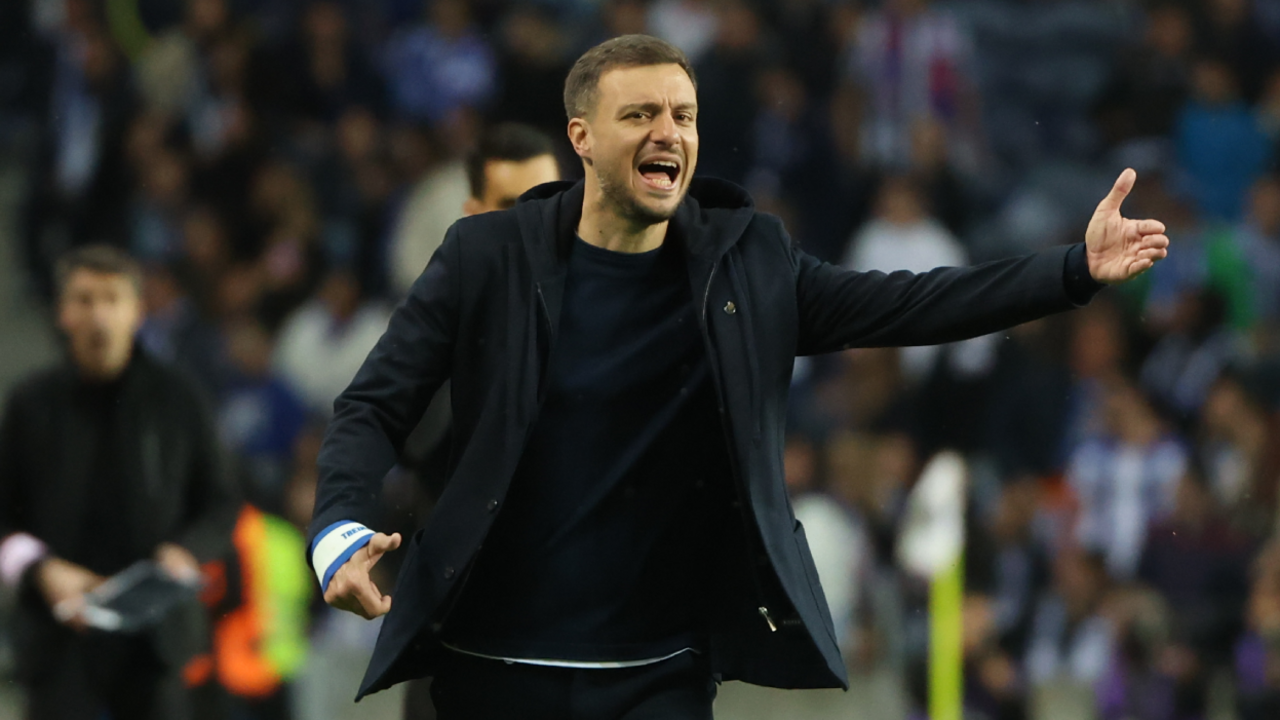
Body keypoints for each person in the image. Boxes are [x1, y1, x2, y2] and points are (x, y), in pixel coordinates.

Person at [308, 34, 1169, 719]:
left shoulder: (746, 261)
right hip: (490, 666)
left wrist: (1072, 271)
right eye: (639, 113)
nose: (668, 133)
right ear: (580, 138)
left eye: (682, 114)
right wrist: (340, 533)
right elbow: (373, 406)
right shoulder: (485, 256)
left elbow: (908, 304)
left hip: (660, 674)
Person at [0, 245, 240, 720]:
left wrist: (186, 551)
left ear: (138, 310)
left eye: (112, 299)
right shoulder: (31, 405)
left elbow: (222, 502)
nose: (98, 315)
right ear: (63, 312)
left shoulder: (178, 398)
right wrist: (40, 570)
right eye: (84, 300)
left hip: (157, 644)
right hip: (59, 643)